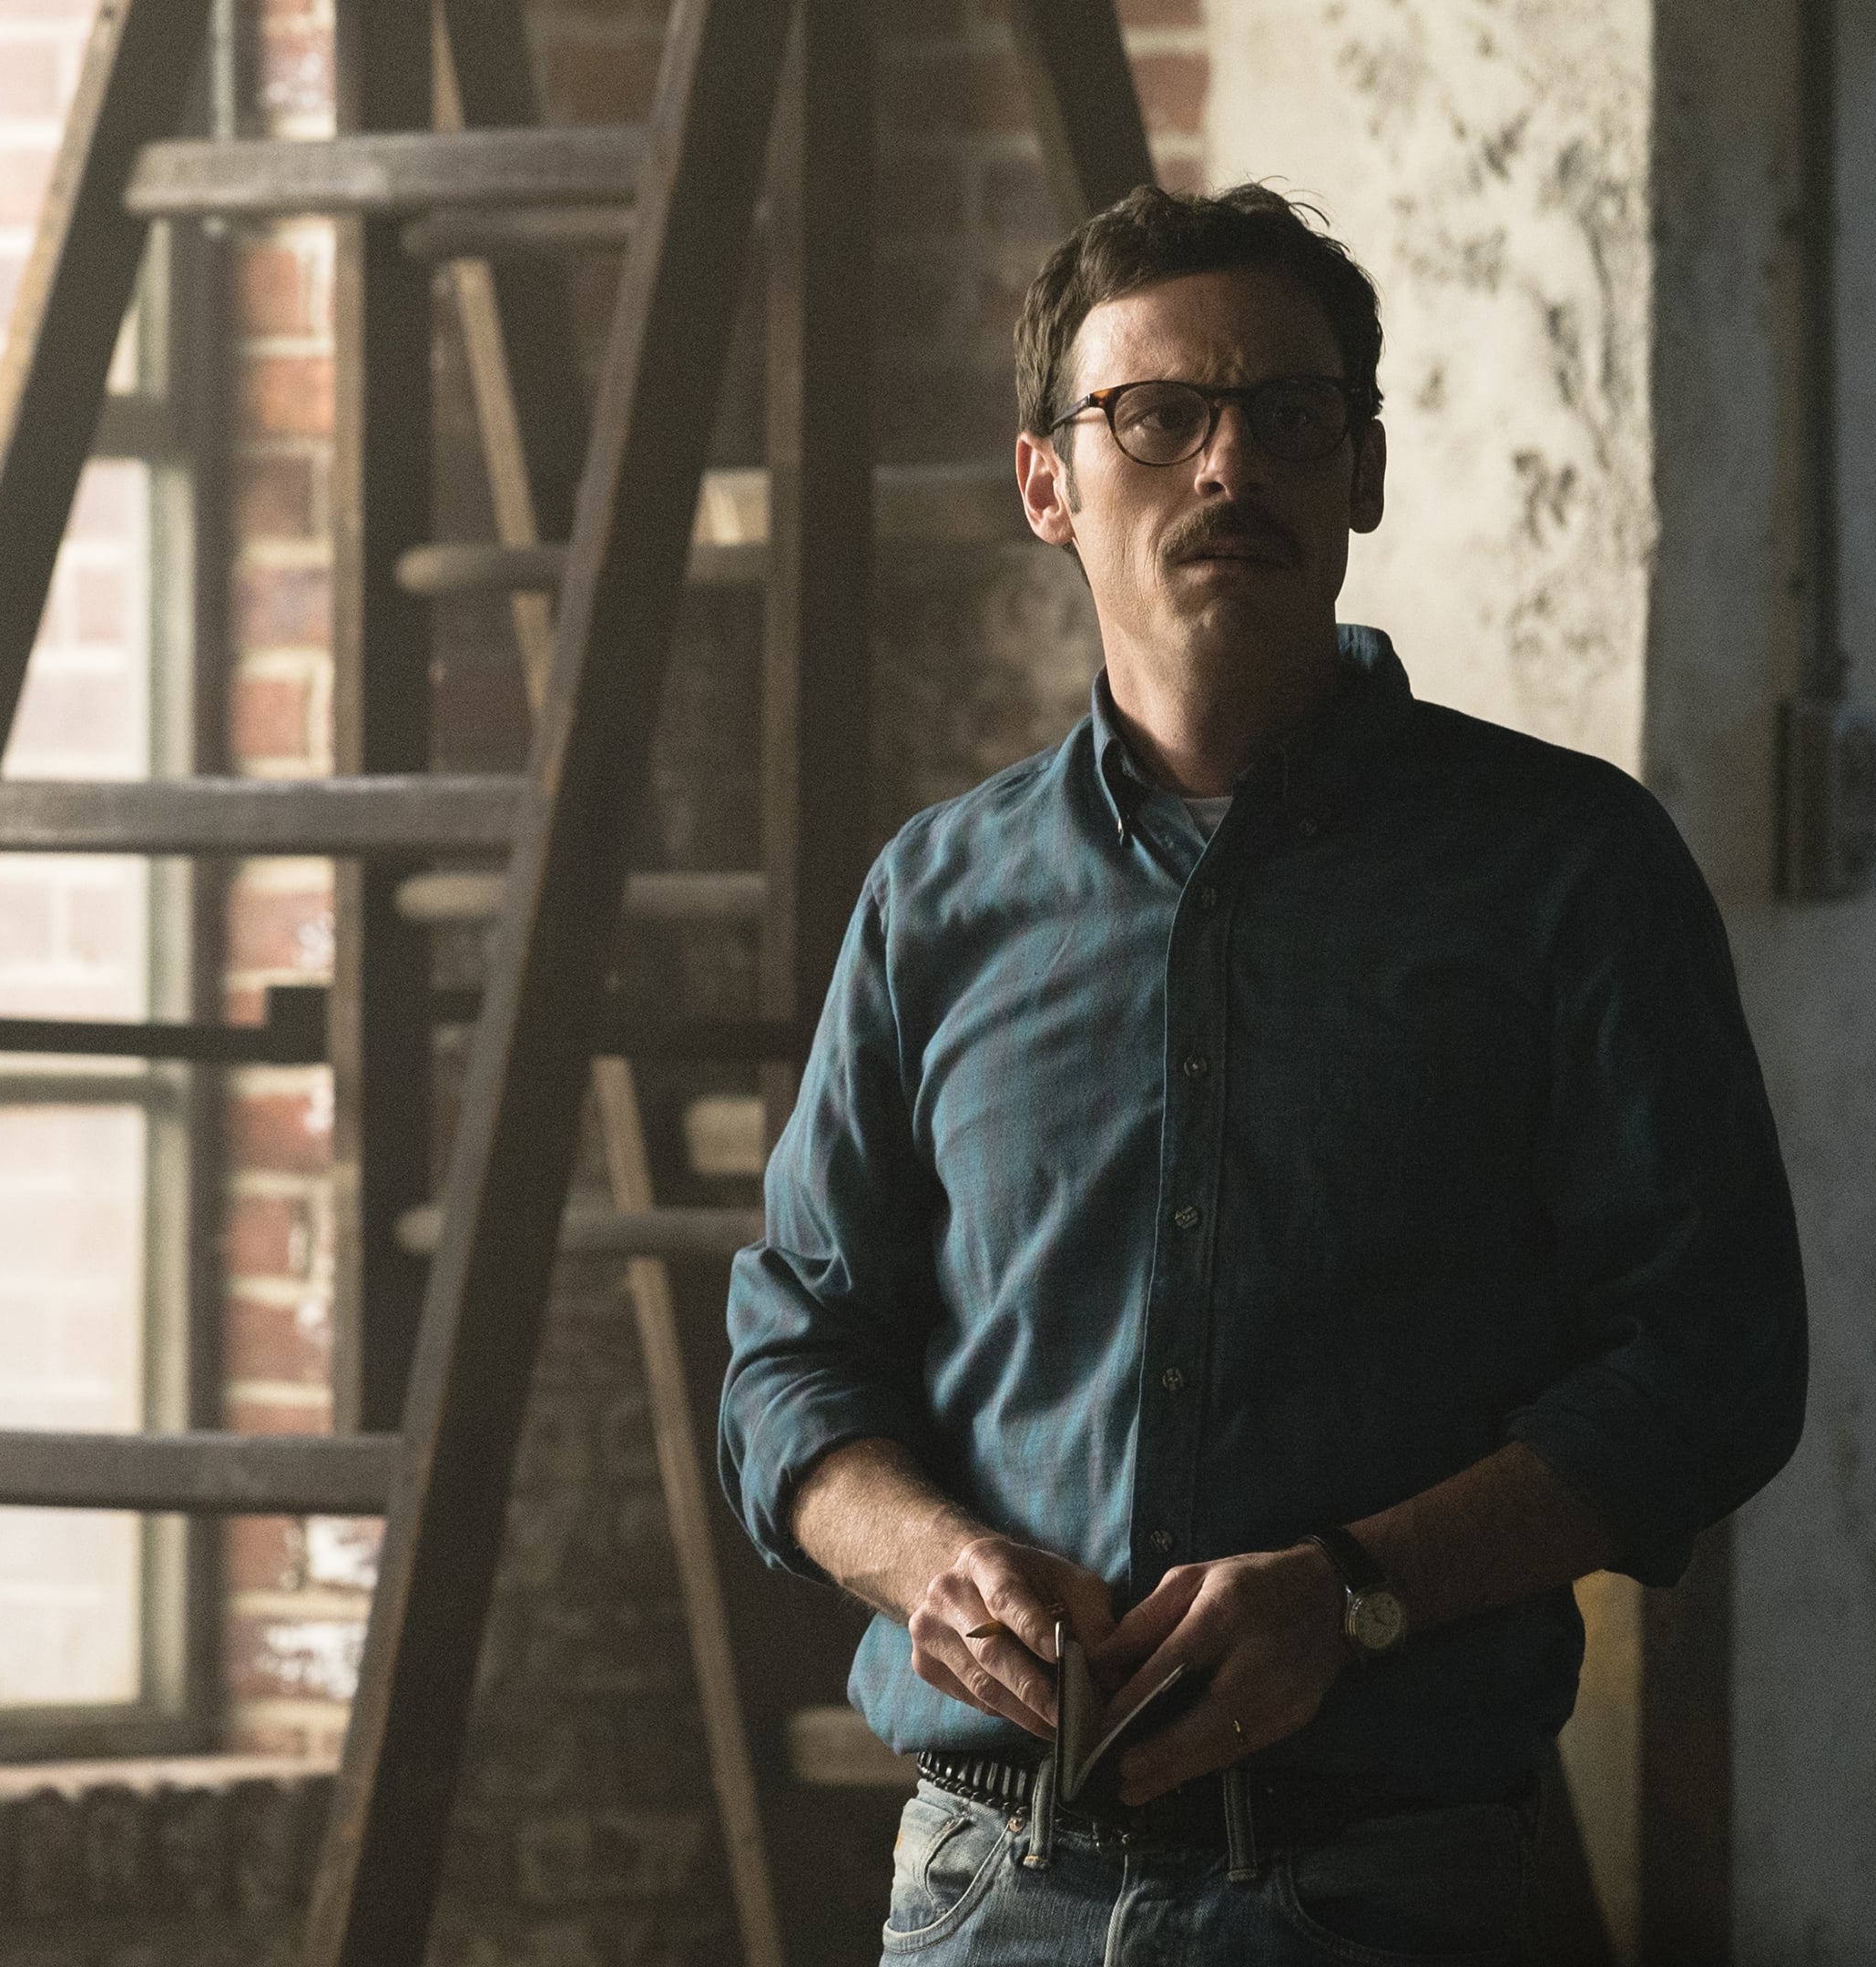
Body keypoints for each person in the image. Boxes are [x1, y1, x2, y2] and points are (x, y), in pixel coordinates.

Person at [715, 184, 1808, 1964]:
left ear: (1361, 471)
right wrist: (927, 1564)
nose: (1232, 465)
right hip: (988, 1886)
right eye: (1159, 416)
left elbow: (1720, 1359)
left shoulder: (1567, 870)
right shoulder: (936, 898)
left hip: (1382, 1891)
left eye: (1290, 417)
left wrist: (1359, 1592)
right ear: (1048, 484)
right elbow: (791, 1357)